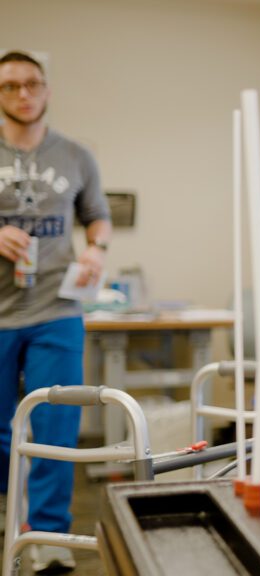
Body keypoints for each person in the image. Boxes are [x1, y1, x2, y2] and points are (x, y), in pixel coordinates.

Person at [0, 51, 111, 573]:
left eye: (32, 84)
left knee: (56, 425)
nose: (23, 94)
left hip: (57, 310)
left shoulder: (76, 155)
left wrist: (96, 250)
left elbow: (98, 217)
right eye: (10, 86)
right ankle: (14, 510)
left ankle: (49, 533)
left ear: (46, 89)